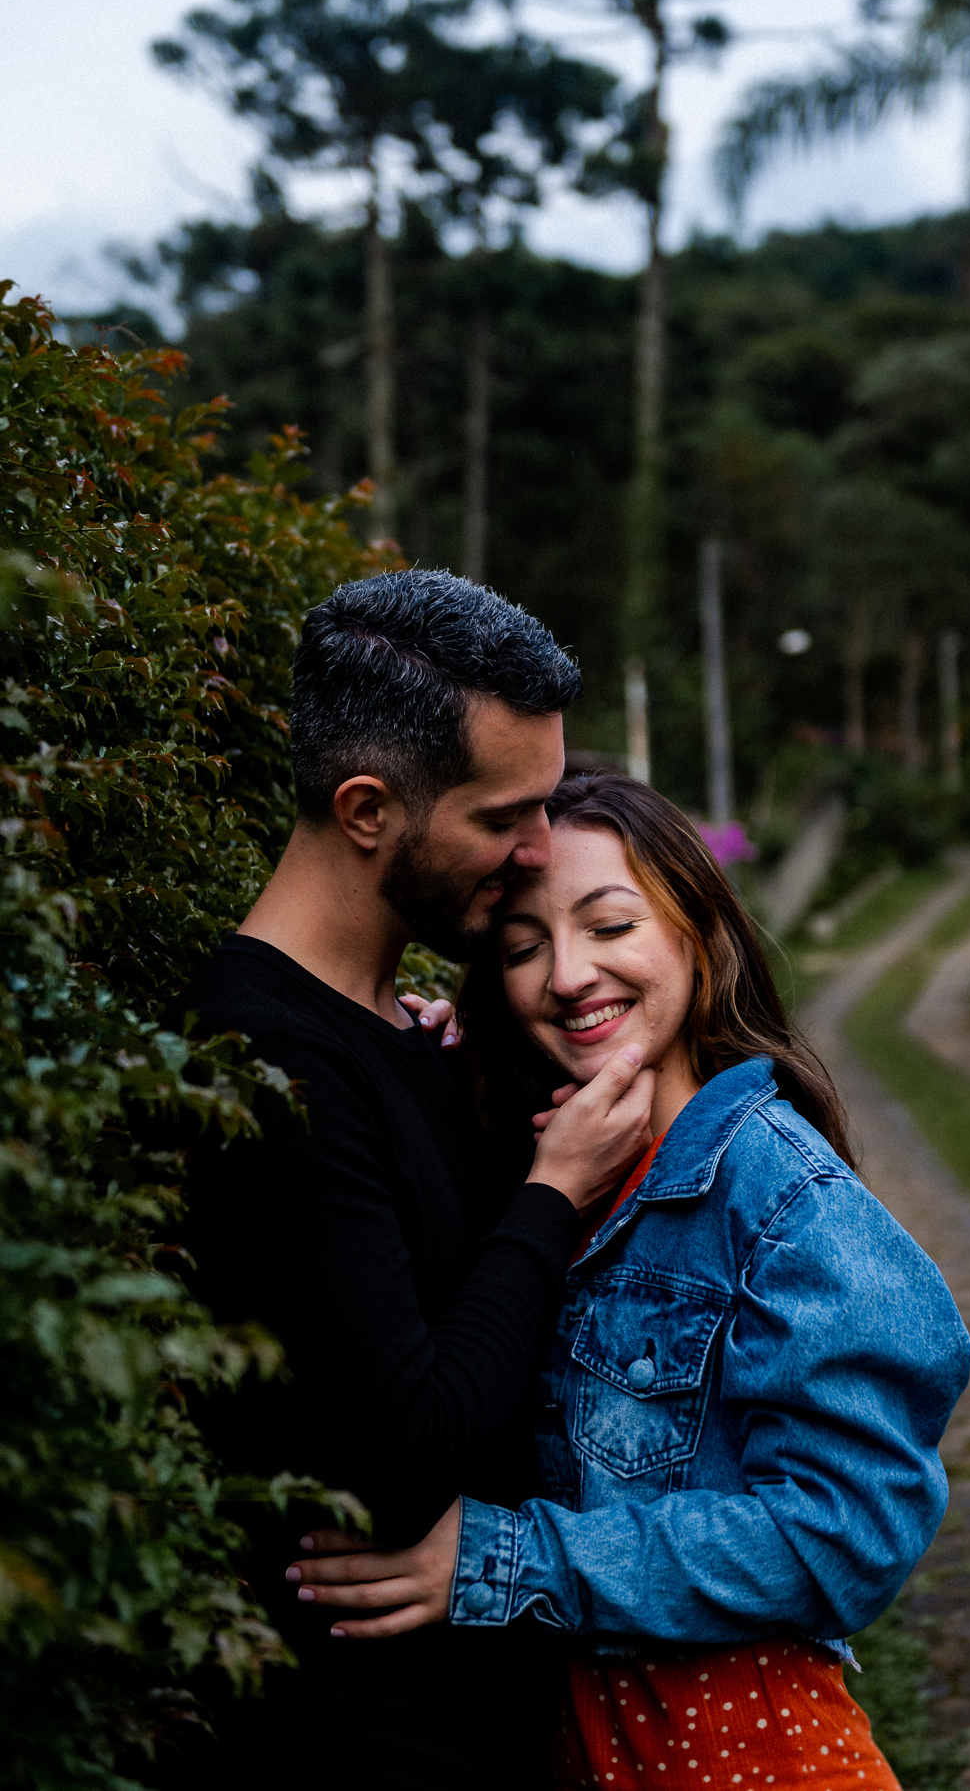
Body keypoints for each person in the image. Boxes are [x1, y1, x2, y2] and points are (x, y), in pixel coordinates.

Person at [287, 772, 970, 1790]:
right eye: (522, 948)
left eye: (610, 925)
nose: (568, 975)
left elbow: (847, 1535)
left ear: (701, 934)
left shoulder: (783, 1198)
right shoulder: (549, 1177)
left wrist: (502, 1559)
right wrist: (424, 1069)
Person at [160, 577, 655, 1791]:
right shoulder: (265, 1061)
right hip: (380, 1741)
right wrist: (553, 1192)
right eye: (504, 817)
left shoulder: (408, 1031)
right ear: (368, 809)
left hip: (507, 1710)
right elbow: (405, 1457)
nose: (538, 849)